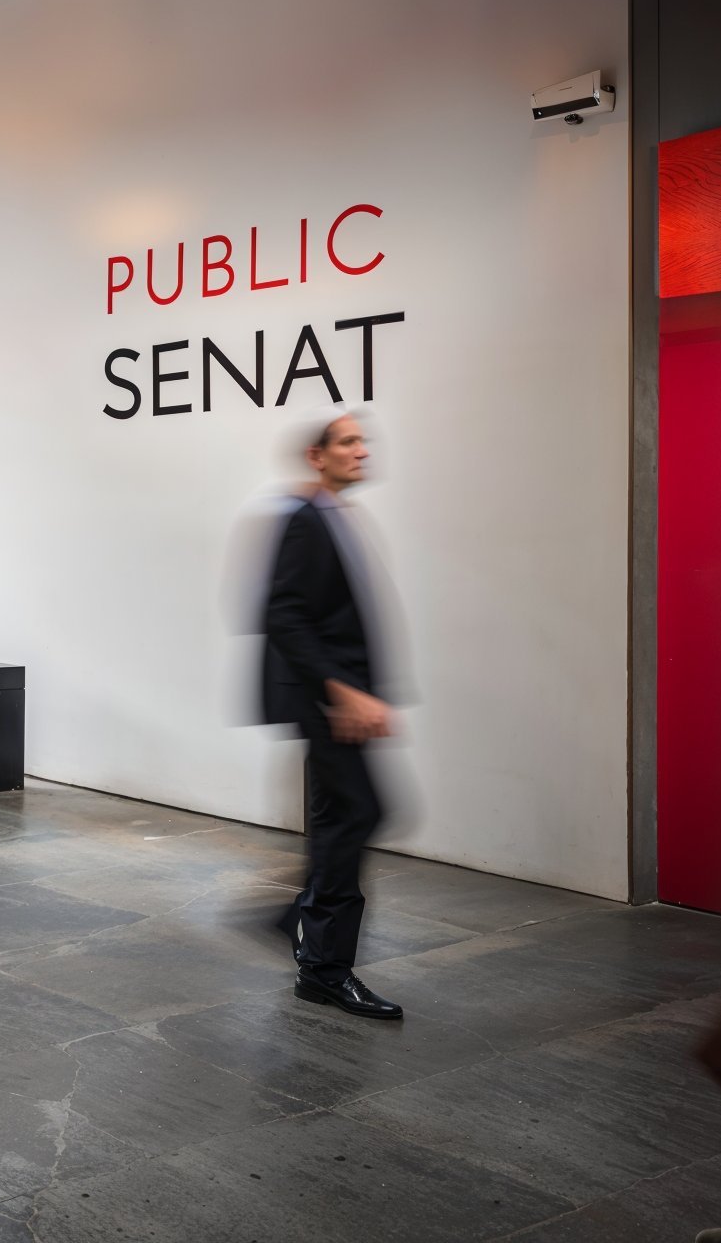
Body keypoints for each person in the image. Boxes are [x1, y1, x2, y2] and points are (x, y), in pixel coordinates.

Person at [261, 411, 404, 1020]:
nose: (361, 450)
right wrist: (343, 692)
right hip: (326, 704)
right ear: (317, 455)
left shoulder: (332, 517)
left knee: (339, 821)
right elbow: (284, 615)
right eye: (348, 441)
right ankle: (323, 966)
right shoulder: (303, 521)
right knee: (359, 815)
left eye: (363, 440)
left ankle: (303, 926)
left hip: (337, 702)